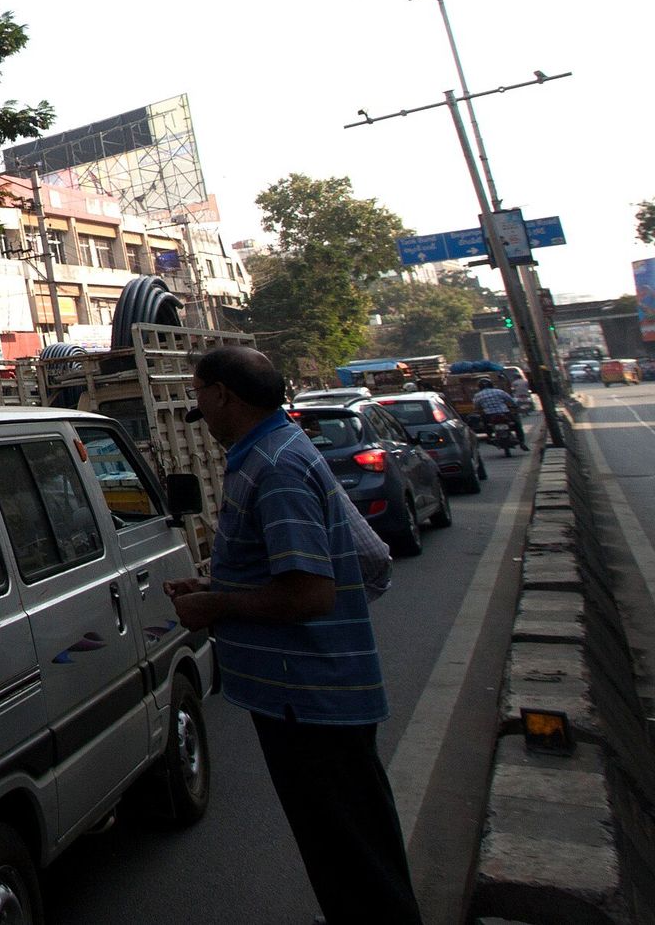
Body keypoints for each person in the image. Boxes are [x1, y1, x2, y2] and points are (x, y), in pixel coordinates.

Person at [167, 347, 421, 925]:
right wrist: (216, 583)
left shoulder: (276, 466)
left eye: (200, 394)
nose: (198, 409)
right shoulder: (266, 451)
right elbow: (288, 566)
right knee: (343, 851)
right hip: (302, 698)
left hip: (312, 699)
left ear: (223, 394)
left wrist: (216, 606)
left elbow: (311, 593)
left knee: (353, 855)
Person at [475, 379, 527, 449]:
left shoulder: (478, 395)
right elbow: (510, 400)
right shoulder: (499, 392)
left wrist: (480, 409)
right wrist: (515, 405)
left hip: (489, 415)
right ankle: (522, 442)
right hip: (504, 413)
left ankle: (490, 437)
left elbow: (477, 406)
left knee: (486, 426)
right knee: (517, 425)